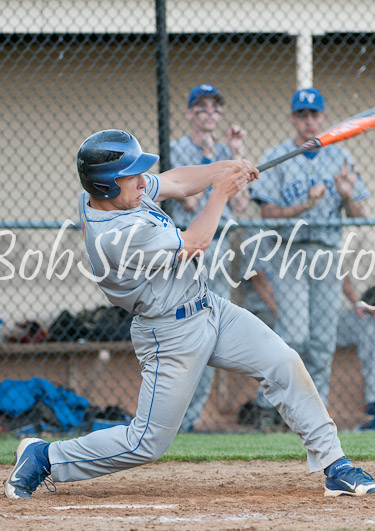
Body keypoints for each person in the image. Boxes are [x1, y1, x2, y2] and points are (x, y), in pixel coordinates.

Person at [3, 129, 375, 499]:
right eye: (130, 175)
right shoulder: (117, 235)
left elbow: (177, 182)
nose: (141, 181)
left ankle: (335, 466)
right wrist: (221, 193)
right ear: (105, 184)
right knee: (147, 442)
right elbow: (197, 242)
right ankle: (47, 457)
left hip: (210, 309)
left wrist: (226, 167)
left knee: (284, 362)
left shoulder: (110, 196)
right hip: (169, 333)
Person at [249, 88, 370, 406]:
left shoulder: (341, 157)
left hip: (327, 252)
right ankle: (270, 407)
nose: (309, 121)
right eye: (302, 115)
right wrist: (304, 206)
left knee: (322, 342)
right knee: (294, 336)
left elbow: (360, 215)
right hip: (291, 251)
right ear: (292, 119)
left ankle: (316, 411)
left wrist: (346, 195)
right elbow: (267, 213)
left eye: (314, 114)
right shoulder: (278, 155)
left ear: (323, 118)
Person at [168, 84, 248, 432]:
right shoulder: (177, 149)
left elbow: (241, 207)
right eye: (201, 108)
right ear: (189, 113)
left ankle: (190, 420)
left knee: (209, 334)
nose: (209, 114)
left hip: (218, 247)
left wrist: (236, 154)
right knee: (185, 332)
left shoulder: (226, 153)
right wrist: (209, 164)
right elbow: (187, 202)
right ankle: (173, 419)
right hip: (187, 246)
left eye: (215, 108)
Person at [241, 252, 375, 429]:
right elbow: (258, 278)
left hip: (315, 315)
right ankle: (268, 409)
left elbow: (333, 269)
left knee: (366, 323)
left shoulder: (313, 232)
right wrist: (284, 311)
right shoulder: (258, 233)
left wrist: (357, 302)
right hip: (269, 313)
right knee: (294, 336)